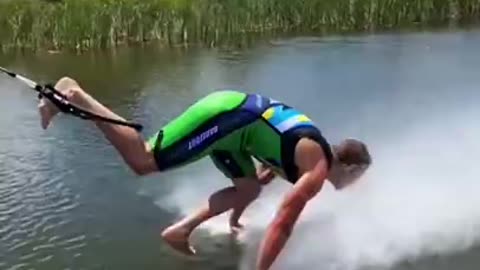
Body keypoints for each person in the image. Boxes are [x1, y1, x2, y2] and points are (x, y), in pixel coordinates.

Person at [38, 77, 372, 270]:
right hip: (227, 116)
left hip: (237, 125)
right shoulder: (315, 169)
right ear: (351, 167)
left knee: (249, 188)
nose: (357, 184)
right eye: (359, 177)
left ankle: (180, 231)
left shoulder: (312, 151)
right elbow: (284, 222)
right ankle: (76, 96)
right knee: (143, 162)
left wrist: (236, 218)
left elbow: (265, 171)